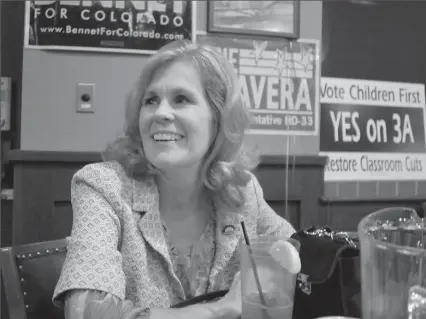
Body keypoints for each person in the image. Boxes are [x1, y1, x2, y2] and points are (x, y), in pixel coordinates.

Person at [52, 40, 296, 319]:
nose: (160, 113)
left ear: (218, 119)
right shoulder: (103, 186)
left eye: (181, 99)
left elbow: (291, 249)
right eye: (150, 100)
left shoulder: (241, 190)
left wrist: (273, 277)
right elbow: (86, 313)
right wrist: (219, 309)